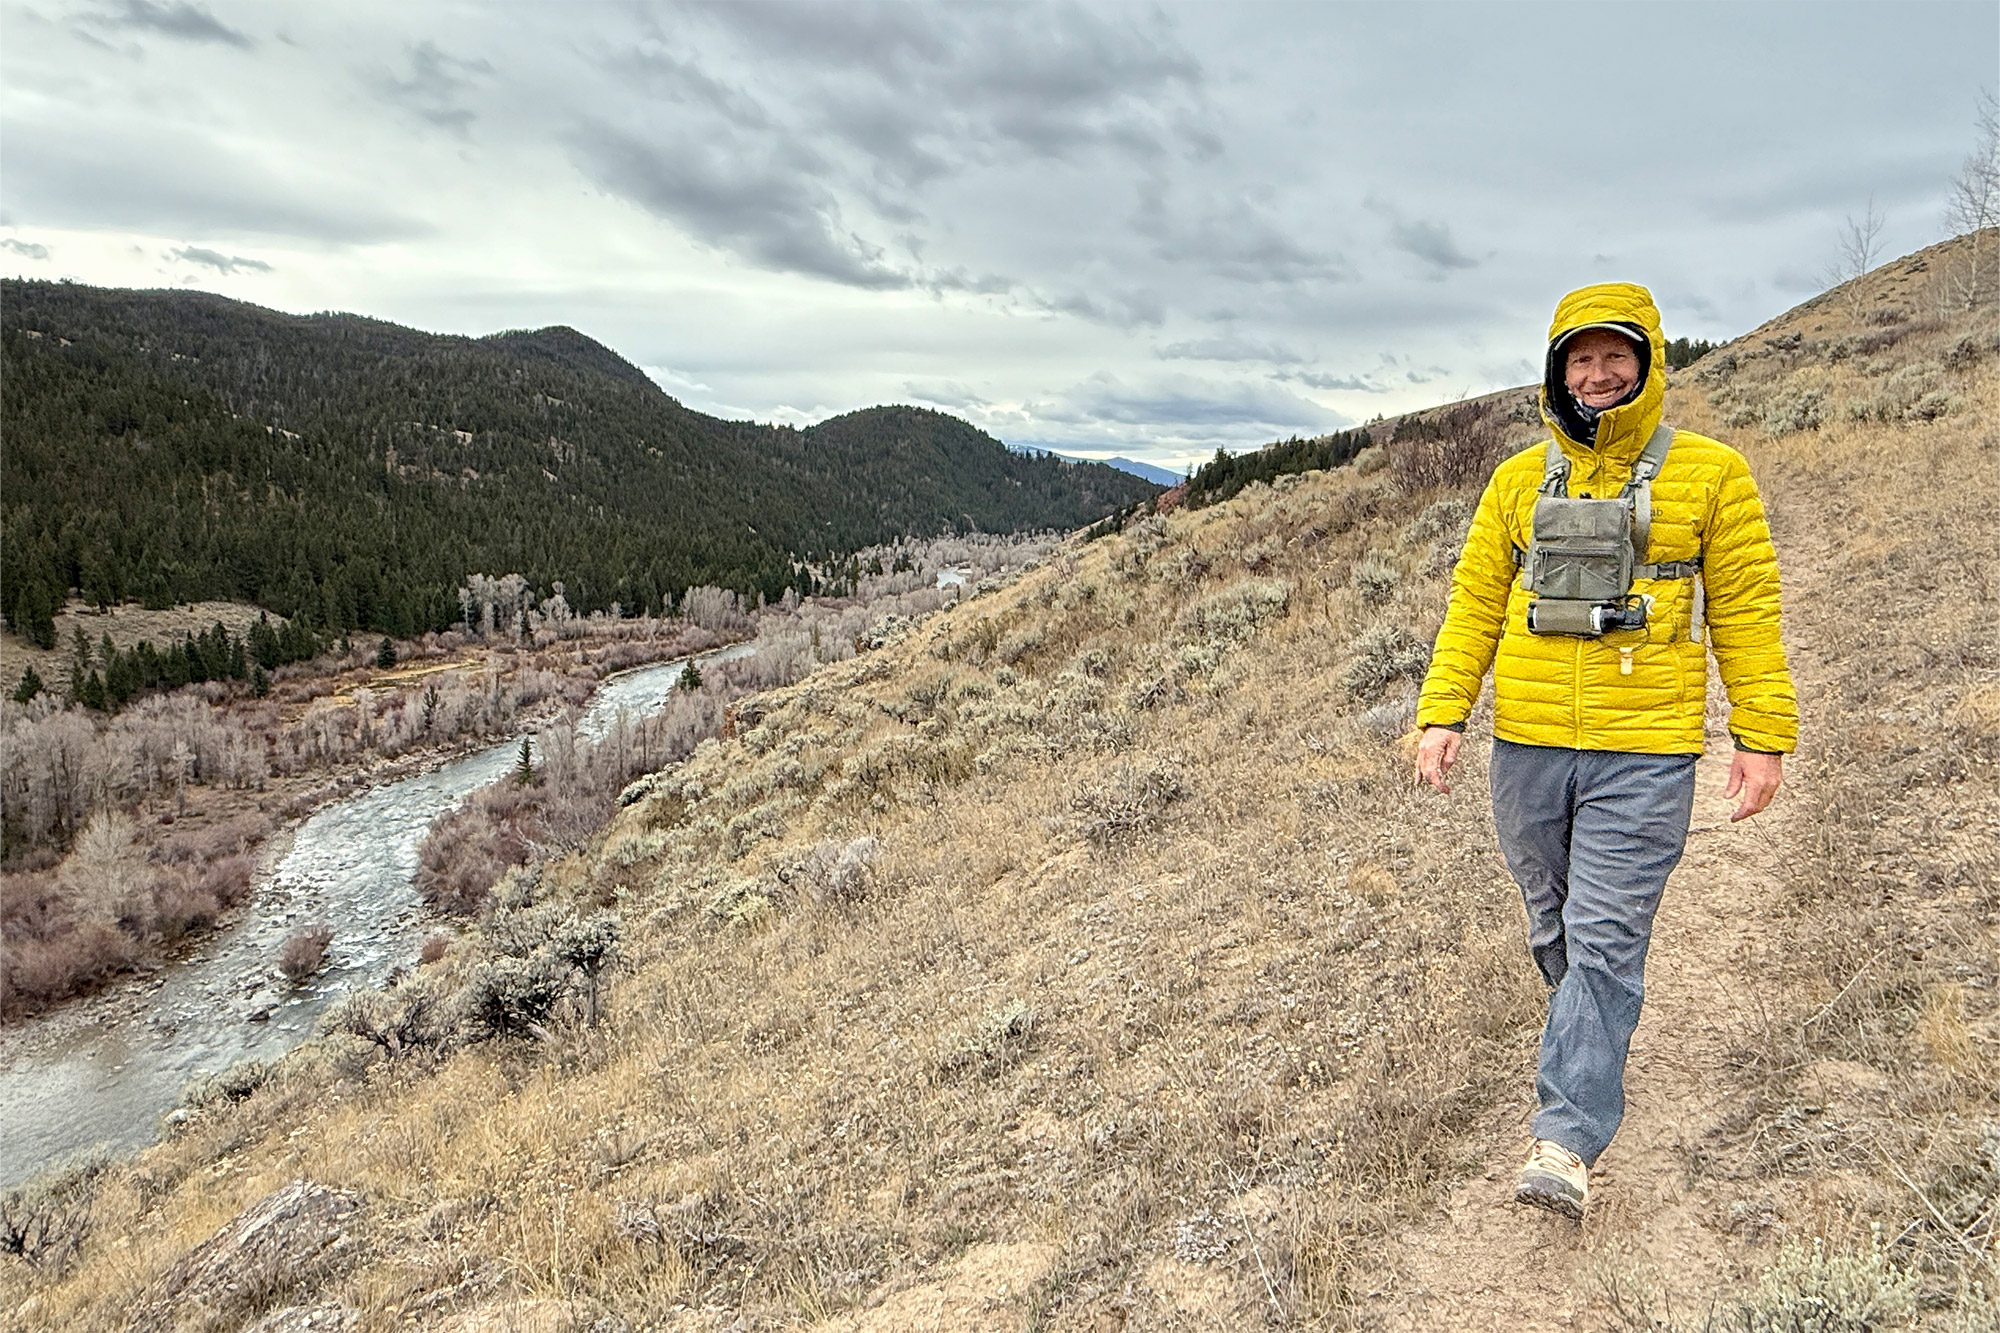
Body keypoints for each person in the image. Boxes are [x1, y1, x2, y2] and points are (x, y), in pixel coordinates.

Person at [1411, 282, 1797, 1220]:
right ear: (1557, 371)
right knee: (1554, 922)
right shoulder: (1514, 481)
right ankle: (1592, 1020)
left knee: (1606, 931)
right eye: (1580, 358)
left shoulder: (1713, 474)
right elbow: (1472, 605)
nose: (1598, 373)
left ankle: (1567, 1135)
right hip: (1530, 744)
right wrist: (1444, 710)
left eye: (1615, 356)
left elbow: (1746, 610)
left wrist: (1762, 734)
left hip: (1648, 749)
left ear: (1649, 363)